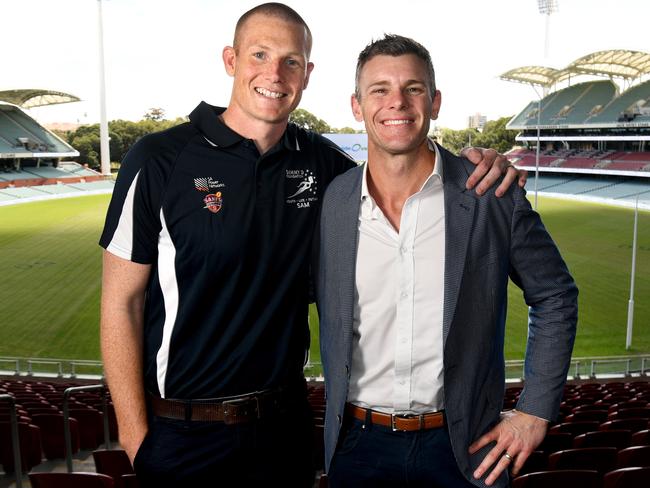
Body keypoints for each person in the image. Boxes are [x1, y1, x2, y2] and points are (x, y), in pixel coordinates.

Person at [99, 4, 521, 486]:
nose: (274, 74)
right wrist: (135, 438)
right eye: (260, 54)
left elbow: (401, 162)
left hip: (284, 429)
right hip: (183, 433)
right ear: (231, 60)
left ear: (307, 73)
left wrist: (479, 161)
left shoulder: (324, 167)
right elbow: (121, 303)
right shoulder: (159, 160)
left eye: (292, 61)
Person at [317, 34, 578, 487]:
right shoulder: (333, 201)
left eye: (413, 88)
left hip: (464, 449)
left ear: (434, 102)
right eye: (379, 89)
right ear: (357, 106)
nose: (396, 102)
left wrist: (534, 410)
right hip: (356, 448)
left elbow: (555, 295)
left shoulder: (490, 196)